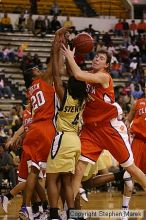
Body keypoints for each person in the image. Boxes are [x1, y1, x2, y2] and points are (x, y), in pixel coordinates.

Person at [61, 46, 146, 214]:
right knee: (78, 170)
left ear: (107, 65)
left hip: (109, 127)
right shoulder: (89, 76)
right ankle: (69, 212)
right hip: (91, 130)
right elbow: (70, 73)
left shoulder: (103, 76)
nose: (96, 59)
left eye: (101, 58)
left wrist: (70, 56)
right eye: (96, 56)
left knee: (131, 169)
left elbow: (77, 74)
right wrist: (61, 52)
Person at [18, 27, 68, 220]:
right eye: (36, 70)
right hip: (47, 128)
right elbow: (54, 67)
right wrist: (56, 43)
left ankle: (26, 208)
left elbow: (56, 67)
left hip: (33, 131)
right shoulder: (43, 80)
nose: (39, 70)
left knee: (33, 172)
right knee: (55, 174)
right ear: (33, 76)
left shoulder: (30, 91)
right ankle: (59, 211)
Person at [46, 30, 88, 220]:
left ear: (69, 86)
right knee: (67, 179)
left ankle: (54, 214)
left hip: (63, 139)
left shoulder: (65, 97)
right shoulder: (83, 99)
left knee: (51, 179)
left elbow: (55, 74)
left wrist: (56, 49)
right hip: (75, 141)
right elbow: (73, 76)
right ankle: (72, 214)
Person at [120, 86, 146, 220]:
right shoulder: (138, 102)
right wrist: (126, 128)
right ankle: (125, 207)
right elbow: (128, 119)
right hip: (139, 142)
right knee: (129, 175)